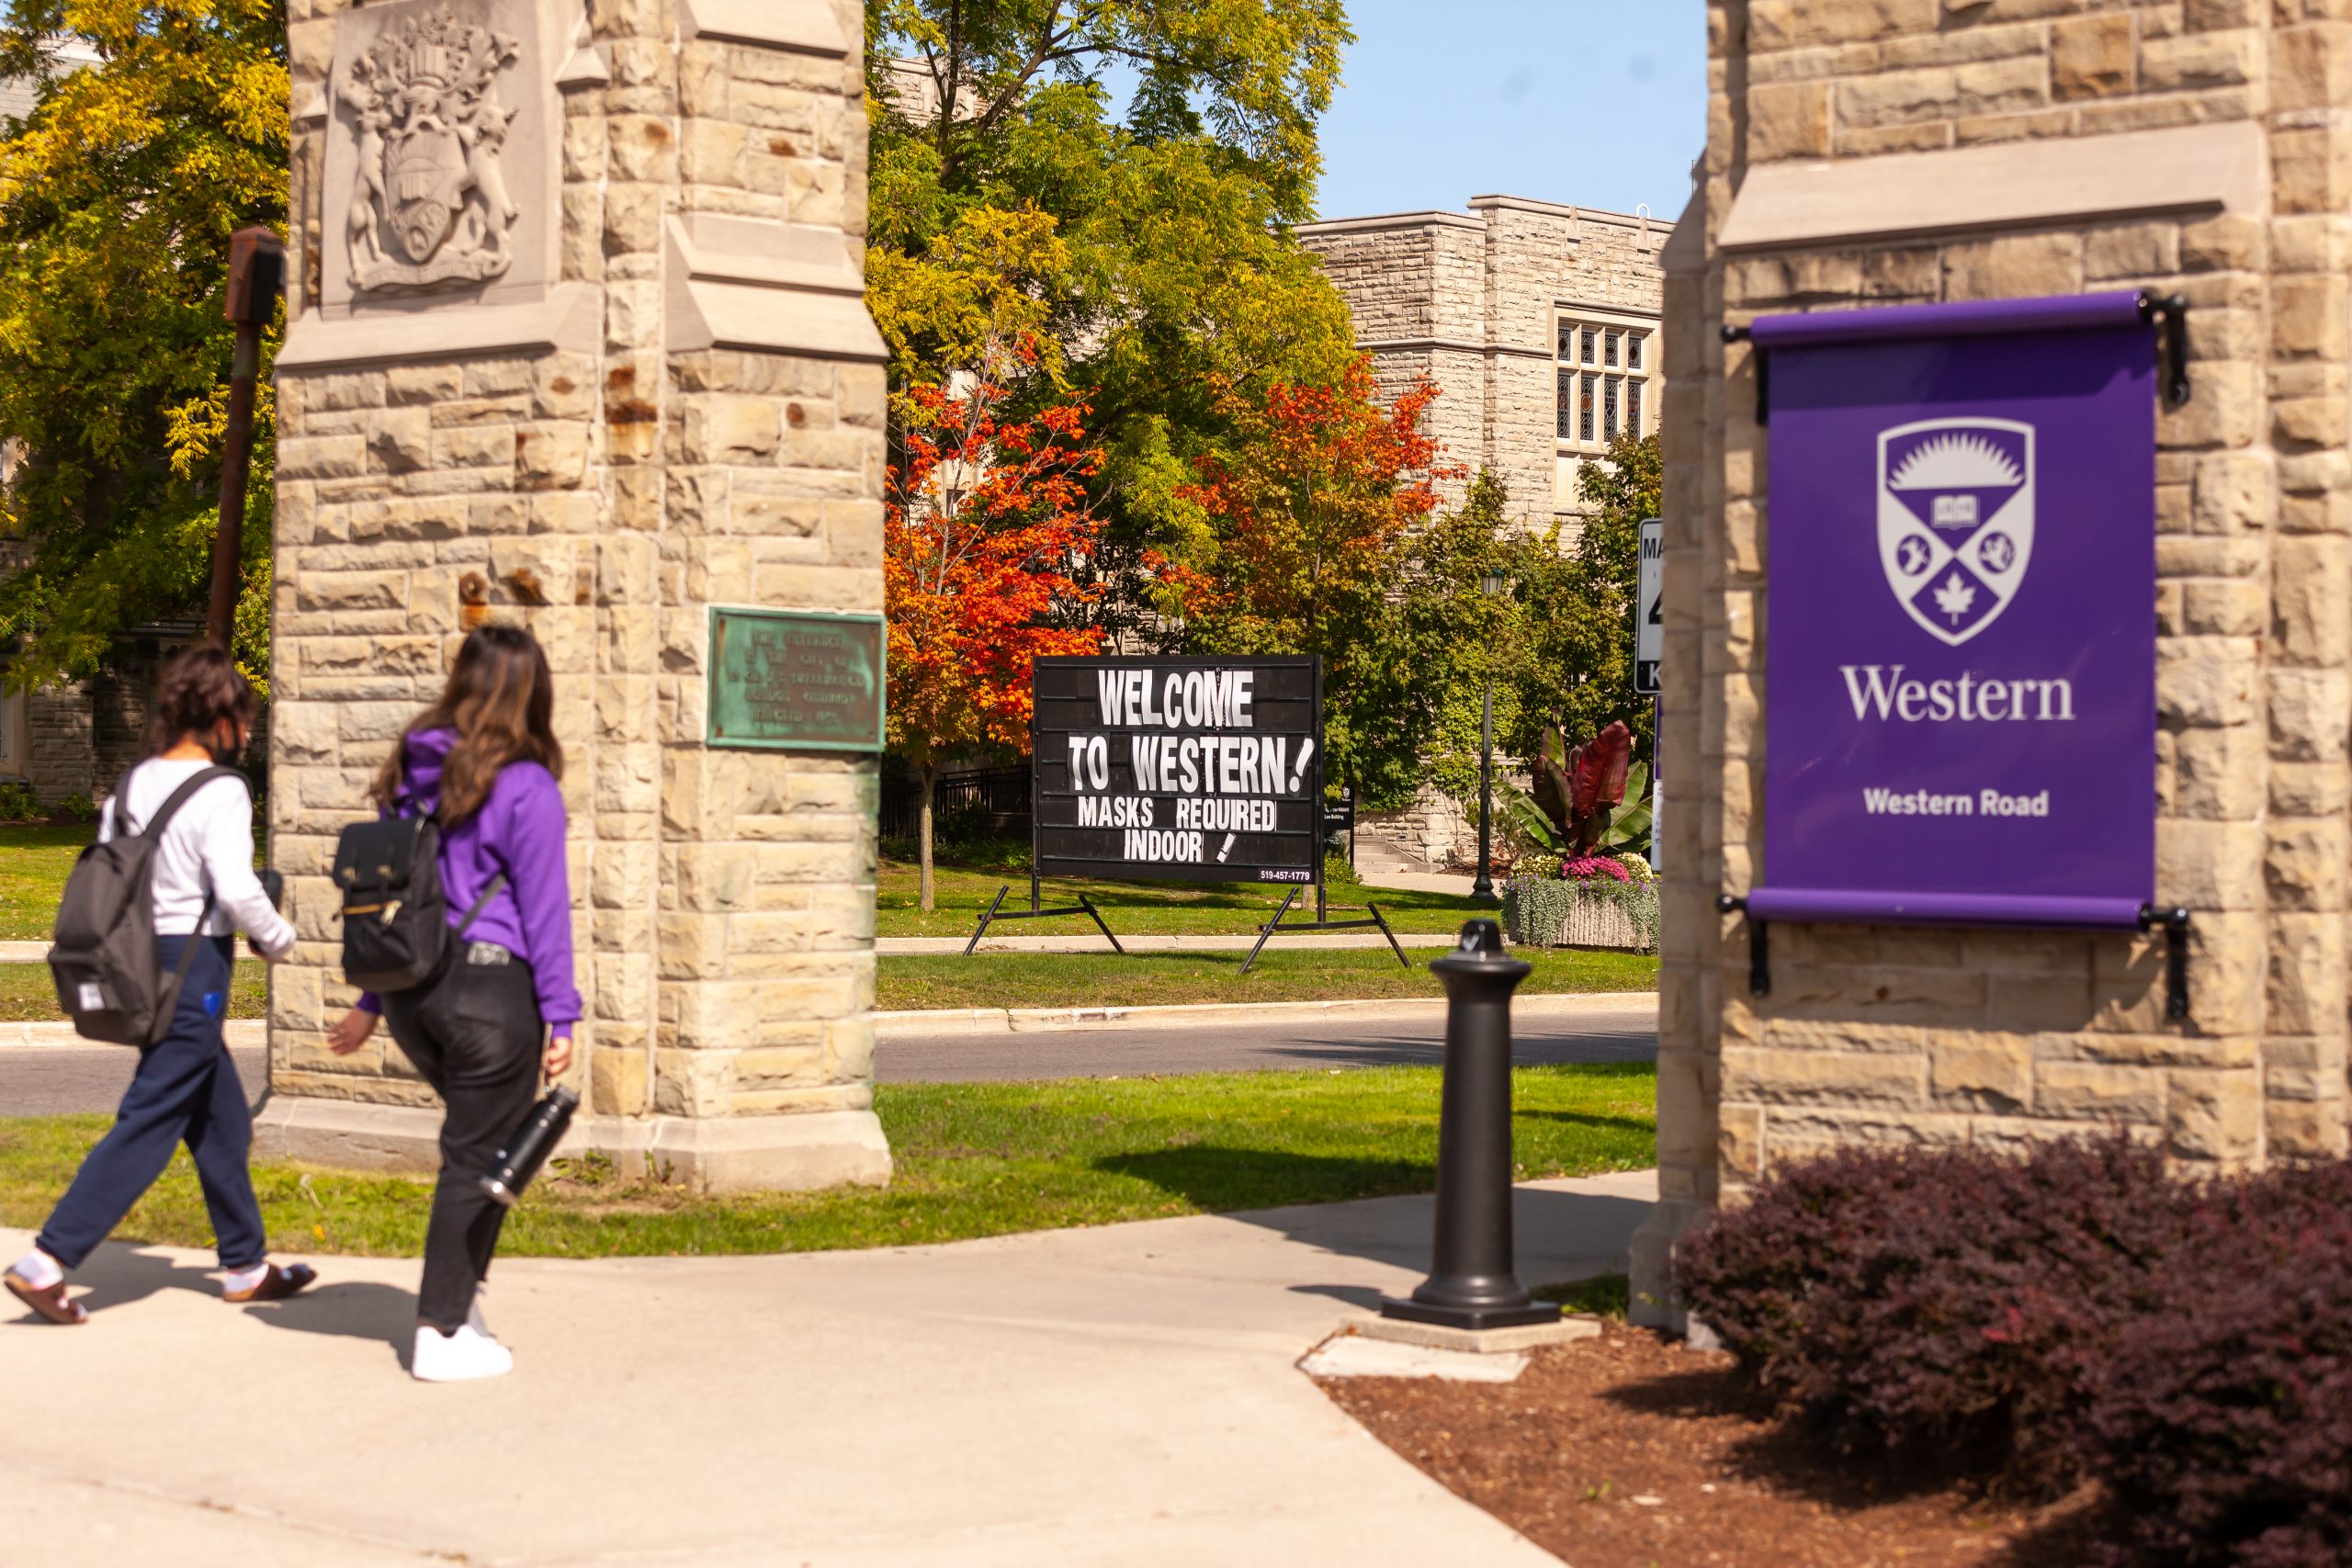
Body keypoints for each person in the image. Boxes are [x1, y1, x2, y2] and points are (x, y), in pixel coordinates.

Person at [6, 645, 314, 1325]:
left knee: (221, 1120)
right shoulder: (224, 789)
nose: (246, 732)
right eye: (243, 718)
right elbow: (234, 888)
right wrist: (281, 938)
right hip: (192, 963)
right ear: (222, 717)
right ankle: (47, 1260)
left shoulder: (131, 782)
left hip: (137, 958)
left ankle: (244, 1264)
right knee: (151, 1117)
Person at [323, 625, 579, 1382]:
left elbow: (400, 894)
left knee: (491, 1149)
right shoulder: (526, 784)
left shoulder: (413, 767)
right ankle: (438, 1328)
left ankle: (459, 1304)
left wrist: (373, 1000)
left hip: (416, 995)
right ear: (532, 692)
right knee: (478, 1157)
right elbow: (545, 907)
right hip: (492, 996)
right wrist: (561, 1013)